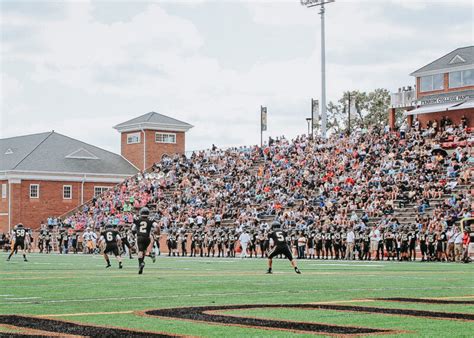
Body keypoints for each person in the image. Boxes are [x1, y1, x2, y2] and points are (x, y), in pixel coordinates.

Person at [132, 207, 159, 274]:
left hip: (140, 237)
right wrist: (158, 232)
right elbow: (157, 226)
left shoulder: (137, 219)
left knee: (139, 251)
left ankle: (141, 263)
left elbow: (133, 229)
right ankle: (141, 266)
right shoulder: (151, 220)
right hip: (147, 238)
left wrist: (135, 234)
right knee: (143, 251)